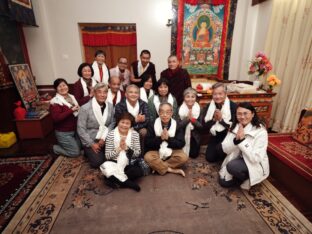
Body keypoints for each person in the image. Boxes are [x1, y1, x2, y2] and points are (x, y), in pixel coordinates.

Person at [218, 102, 269, 190]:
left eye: (245, 113)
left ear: (252, 114)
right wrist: (235, 141)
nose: (242, 117)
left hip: (254, 163)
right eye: (239, 114)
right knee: (224, 182)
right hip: (237, 158)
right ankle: (238, 176)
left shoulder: (261, 132)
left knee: (232, 166)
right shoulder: (234, 126)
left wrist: (242, 141)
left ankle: (248, 177)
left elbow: (255, 159)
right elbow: (225, 149)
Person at [100, 113, 150, 192]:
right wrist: (119, 149)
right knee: (105, 166)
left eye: (127, 123)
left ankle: (114, 180)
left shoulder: (135, 134)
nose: (124, 125)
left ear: (131, 125)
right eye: (122, 122)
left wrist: (127, 149)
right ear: (118, 122)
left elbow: (137, 153)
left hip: (129, 162)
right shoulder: (111, 135)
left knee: (137, 172)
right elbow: (107, 156)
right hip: (114, 161)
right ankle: (128, 183)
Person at [144, 103, 188, 177]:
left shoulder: (177, 124)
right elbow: (148, 143)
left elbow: (181, 143)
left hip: (172, 150)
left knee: (183, 157)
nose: (165, 115)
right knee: (147, 157)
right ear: (158, 113)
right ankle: (171, 170)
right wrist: (160, 139)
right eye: (162, 112)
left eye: (167, 112)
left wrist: (168, 139)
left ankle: (158, 166)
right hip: (157, 151)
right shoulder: (152, 124)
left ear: (172, 113)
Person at [77, 83, 115, 168]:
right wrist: (92, 144)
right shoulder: (85, 108)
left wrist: (104, 137)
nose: (102, 95)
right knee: (97, 162)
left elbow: (113, 123)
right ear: (94, 93)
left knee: (114, 157)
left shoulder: (110, 106)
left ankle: (97, 152)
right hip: (91, 139)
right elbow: (81, 129)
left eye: (105, 92)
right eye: (99, 92)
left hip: (105, 137)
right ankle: (87, 151)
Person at [202, 82, 236, 162]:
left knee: (222, 154)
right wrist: (214, 119)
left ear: (225, 94)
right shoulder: (209, 106)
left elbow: (234, 127)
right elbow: (204, 126)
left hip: (228, 136)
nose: (217, 97)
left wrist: (221, 120)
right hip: (215, 135)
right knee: (210, 158)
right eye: (215, 94)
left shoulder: (233, 106)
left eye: (220, 94)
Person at [50, 78, 81, 157]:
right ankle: (54, 148)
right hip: (63, 132)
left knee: (81, 149)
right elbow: (56, 118)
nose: (63, 88)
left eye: (64, 85)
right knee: (75, 153)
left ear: (67, 86)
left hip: (74, 130)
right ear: (56, 89)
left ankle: (65, 144)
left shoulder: (71, 97)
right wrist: (71, 110)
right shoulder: (55, 102)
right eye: (60, 87)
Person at [114, 85, 149, 151]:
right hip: (123, 128)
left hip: (139, 128)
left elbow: (147, 120)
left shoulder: (143, 104)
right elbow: (119, 122)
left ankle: (141, 155)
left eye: (136, 93)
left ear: (139, 95)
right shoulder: (119, 106)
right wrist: (135, 120)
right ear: (126, 94)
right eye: (131, 92)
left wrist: (134, 127)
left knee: (144, 132)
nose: (133, 94)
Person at [178, 88, 202, 158]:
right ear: (184, 98)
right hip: (182, 135)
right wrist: (187, 119)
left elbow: (201, 127)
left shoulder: (199, 108)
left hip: (194, 136)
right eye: (187, 96)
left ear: (195, 98)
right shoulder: (180, 109)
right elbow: (178, 126)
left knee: (193, 155)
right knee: (181, 155)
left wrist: (192, 119)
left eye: (193, 97)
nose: (190, 99)